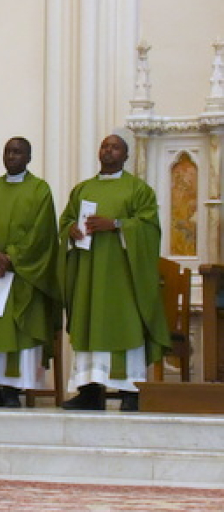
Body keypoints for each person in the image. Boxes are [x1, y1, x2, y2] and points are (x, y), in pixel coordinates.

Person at [59, 134, 169, 412]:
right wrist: (70, 229)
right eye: (105, 146)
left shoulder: (138, 190)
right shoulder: (82, 189)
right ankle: (89, 390)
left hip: (122, 276)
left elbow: (149, 228)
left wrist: (117, 224)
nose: (108, 151)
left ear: (126, 155)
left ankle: (130, 390)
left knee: (125, 324)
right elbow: (66, 220)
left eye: (115, 147)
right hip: (88, 273)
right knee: (87, 321)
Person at [0, 138, 60, 408]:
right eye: (7, 151)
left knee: (19, 325)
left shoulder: (40, 190)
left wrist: (12, 258)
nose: (11, 156)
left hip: (24, 276)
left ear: (29, 157)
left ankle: (12, 390)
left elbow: (42, 234)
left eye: (17, 152)